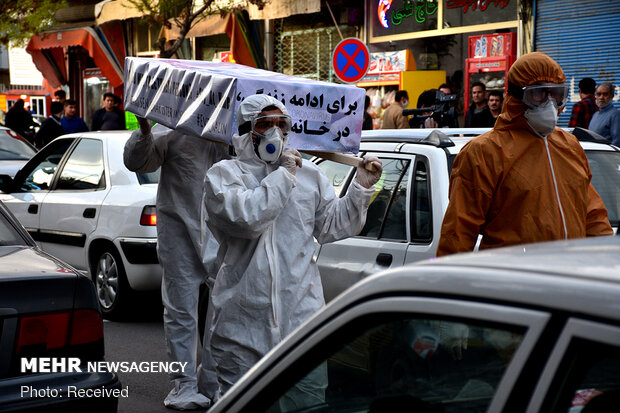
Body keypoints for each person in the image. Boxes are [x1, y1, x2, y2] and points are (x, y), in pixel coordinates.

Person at [203, 94, 382, 394]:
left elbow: (331, 225)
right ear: (247, 131)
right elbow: (248, 218)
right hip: (243, 326)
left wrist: (360, 188)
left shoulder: (309, 174)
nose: (275, 132)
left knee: (305, 401)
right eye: (264, 124)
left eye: (280, 124)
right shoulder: (223, 176)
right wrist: (284, 175)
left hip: (301, 320)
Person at [437, 52, 612, 257]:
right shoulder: (484, 152)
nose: (549, 103)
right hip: (513, 280)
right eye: (538, 94)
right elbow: (458, 231)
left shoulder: (569, 146)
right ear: (516, 97)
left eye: (556, 94)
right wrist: (447, 283)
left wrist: (605, 260)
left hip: (570, 276)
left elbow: (593, 215)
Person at [124, 118, 230, 410]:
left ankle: (212, 379)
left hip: (223, 229)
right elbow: (138, 162)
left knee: (222, 308)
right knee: (180, 308)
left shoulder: (231, 127)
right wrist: (144, 131)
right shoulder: (172, 126)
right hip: (179, 230)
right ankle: (184, 384)